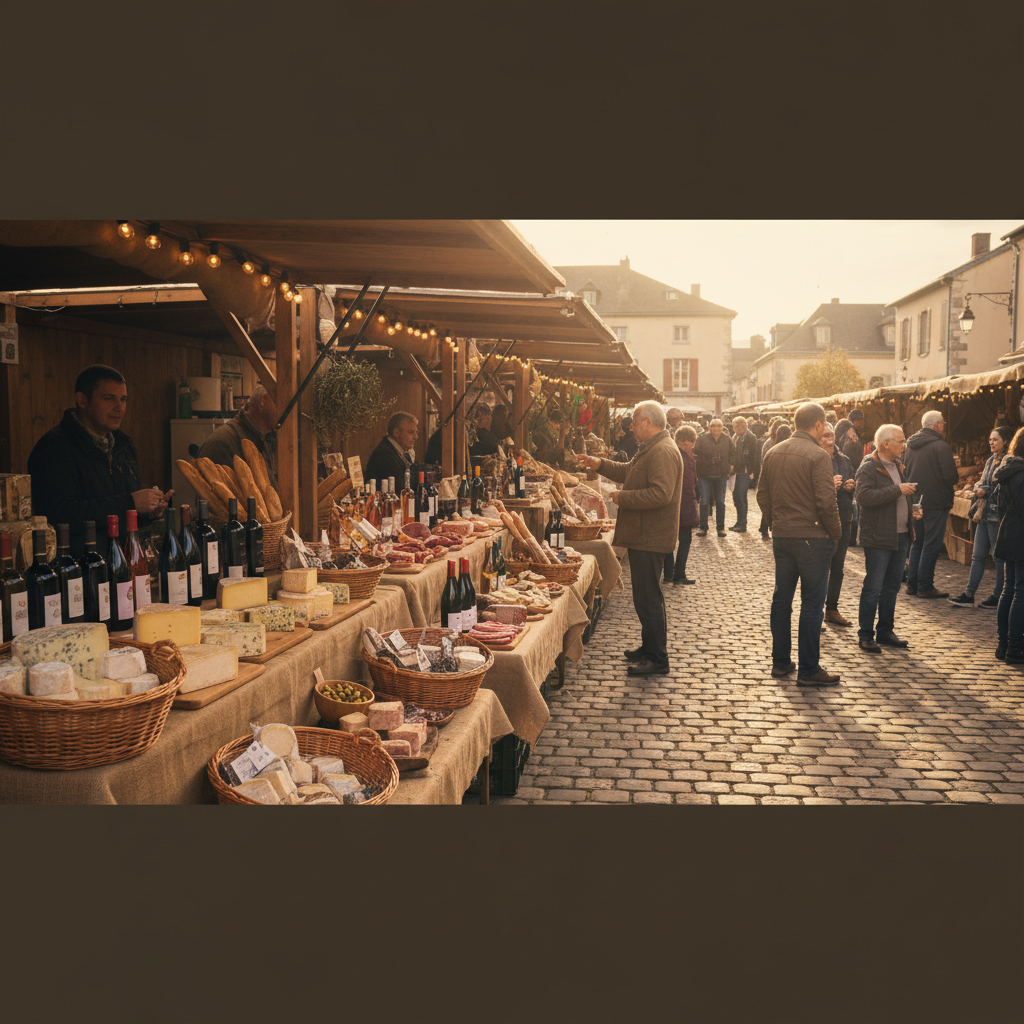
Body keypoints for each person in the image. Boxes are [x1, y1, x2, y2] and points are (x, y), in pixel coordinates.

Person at [575, 401, 683, 677]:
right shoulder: (651, 448)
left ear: (649, 422)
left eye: (635, 422)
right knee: (643, 597)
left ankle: (657, 657)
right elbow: (627, 472)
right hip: (644, 535)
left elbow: (661, 494)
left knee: (649, 598)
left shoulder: (663, 451)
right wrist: (599, 464)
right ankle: (649, 648)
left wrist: (622, 498)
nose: (631, 427)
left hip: (651, 536)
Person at [28, 364, 172, 560]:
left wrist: (148, 511)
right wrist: (130, 502)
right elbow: (59, 515)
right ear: (82, 400)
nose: (119, 407)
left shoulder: (124, 445)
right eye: (109, 398)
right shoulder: (54, 448)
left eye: (123, 400)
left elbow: (121, 508)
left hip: (124, 561)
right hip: (80, 569)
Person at [755, 402, 842, 686]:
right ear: (818, 425)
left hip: (784, 536)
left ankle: (780, 663)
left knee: (782, 599)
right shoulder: (818, 456)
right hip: (813, 538)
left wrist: (775, 521)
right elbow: (827, 502)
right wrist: (836, 533)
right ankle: (808, 669)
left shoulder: (773, 452)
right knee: (811, 603)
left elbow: (762, 495)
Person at [854, 424, 924, 653]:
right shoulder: (869, 467)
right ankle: (865, 634)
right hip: (878, 537)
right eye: (901, 441)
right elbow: (863, 497)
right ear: (885, 443)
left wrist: (912, 509)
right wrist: (898, 491)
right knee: (873, 587)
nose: (904, 445)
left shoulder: (898, 466)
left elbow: (899, 495)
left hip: (901, 535)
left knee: (892, 587)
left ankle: (885, 630)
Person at [948, 426, 1014, 608]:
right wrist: (979, 487)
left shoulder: (1010, 462)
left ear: (1006, 442)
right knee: (977, 556)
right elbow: (982, 481)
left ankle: (999, 596)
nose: (991, 443)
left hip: (996, 514)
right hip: (983, 513)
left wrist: (982, 490)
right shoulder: (991, 460)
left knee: (998, 557)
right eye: (990, 439)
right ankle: (969, 594)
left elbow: (1001, 487)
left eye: (995, 439)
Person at [903, 409, 958, 599]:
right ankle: (925, 585)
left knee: (918, 542)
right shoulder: (940, 446)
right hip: (935, 502)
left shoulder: (910, 445)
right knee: (931, 544)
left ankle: (912, 584)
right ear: (936, 425)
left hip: (916, 500)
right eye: (942, 422)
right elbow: (950, 476)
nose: (943, 426)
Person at [197, 383, 278, 487]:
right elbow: (211, 498)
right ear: (263, 400)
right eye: (280, 403)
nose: (286, 412)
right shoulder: (222, 443)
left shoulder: (266, 437)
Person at [820, 424, 856, 625]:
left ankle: (832, 609)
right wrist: (828, 486)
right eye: (824, 436)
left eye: (831, 435)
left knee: (838, 567)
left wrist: (851, 486)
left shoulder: (844, 459)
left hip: (843, 516)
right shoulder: (814, 459)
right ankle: (815, 611)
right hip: (822, 520)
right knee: (820, 568)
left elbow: (852, 480)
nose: (829, 439)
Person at [994, 427, 1024, 663]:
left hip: (1009, 533)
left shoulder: (1008, 469)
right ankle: (1014, 648)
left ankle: (1003, 643)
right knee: (1019, 593)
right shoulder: (1021, 472)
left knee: (1009, 590)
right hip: (1020, 535)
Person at [664, 425, 698, 585]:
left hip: (681, 504)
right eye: (684, 443)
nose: (688, 446)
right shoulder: (682, 458)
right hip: (681, 504)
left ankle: (672, 574)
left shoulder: (689, 457)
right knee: (681, 540)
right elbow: (686, 485)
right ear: (678, 442)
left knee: (674, 540)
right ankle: (676, 574)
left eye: (690, 443)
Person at [694, 418, 734, 537]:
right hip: (704, 475)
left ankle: (720, 528)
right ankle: (703, 528)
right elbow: (695, 453)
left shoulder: (727, 439)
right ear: (709, 427)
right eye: (712, 426)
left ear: (722, 427)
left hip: (721, 475)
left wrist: (730, 467)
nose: (715, 428)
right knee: (704, 501)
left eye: (717, 426)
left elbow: (733, 453)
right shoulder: (702, 439)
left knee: (720, 502)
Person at [365, 411, 418, 486]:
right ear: (396, 433)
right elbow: (401, 487)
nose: (416, 437)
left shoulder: (404, 451)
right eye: (411, 432)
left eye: (416, 432)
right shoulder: (383, 455)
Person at [729, 416, 761, 533]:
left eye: (740, 425)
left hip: (744, 472)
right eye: (735, 425)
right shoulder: (735, 436)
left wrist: (751, 471)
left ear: (745, 425)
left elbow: (754, 457)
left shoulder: (750, 437)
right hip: (736, 472)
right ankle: (739, 522)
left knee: (741, 497)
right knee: (736, 497)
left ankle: (742, 524)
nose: (737, 427)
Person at [759, 423, 791, 538]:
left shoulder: (771, 445)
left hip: (772, 479)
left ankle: (765, 528)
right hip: (779, 480)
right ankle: (768, 527)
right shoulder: (775, 446)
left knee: (770, 504)